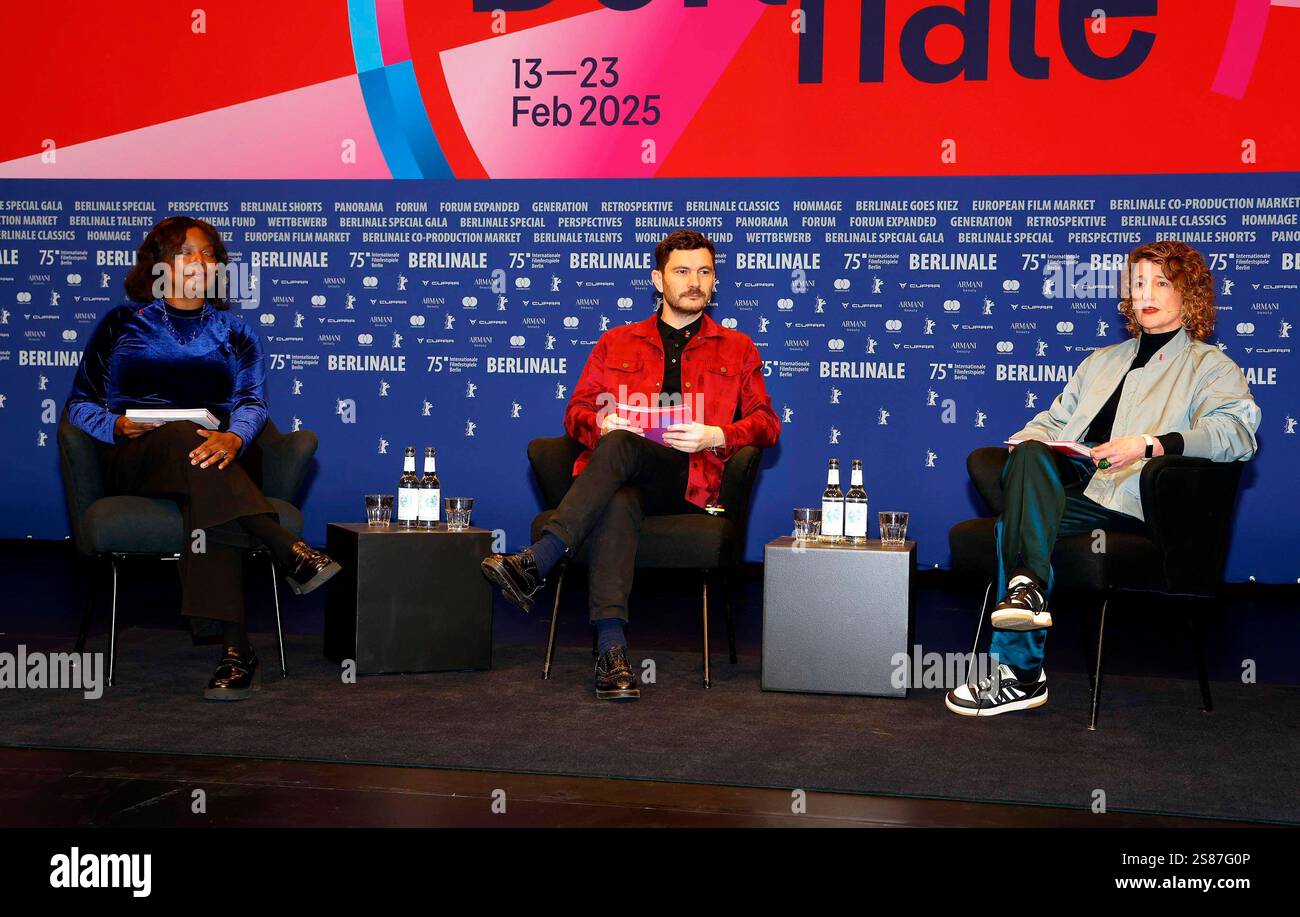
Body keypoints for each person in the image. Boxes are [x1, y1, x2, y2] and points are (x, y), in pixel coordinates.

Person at [945, 239, 1261, 716]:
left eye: (1160, 282)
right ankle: (1026, 593)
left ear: (1188, 294)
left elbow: (1236, 433)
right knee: (1030, 454)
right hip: (1071, 481)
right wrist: (1025, 441)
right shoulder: (1101, 361)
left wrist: (1151, 444)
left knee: (1021, 523)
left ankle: (1021, 672)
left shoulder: (1210, 367)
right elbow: (1054, 421)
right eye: (1137, 283)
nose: (1145, 293)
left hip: (1131, 493)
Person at [480, 230, 781, 701]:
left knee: (620, 449)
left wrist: (716, 435)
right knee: (618, 493)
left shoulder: (737, 348)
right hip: (622, 476)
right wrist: (605, 424)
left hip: (690, 479)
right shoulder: (617, 342)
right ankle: (613, 652)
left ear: (715, 281)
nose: (694, 282)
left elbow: (767, 424)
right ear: (658, 281)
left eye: (704, 272)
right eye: (682, 272)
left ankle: (538, 559)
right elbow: (576, 412)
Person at [65, 216, 342, 700]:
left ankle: (238, 654)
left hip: (219, 459)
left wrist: (235, 439)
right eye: (185, 252)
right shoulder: (120, 324)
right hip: (139, 459)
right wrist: (114, 425)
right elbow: (80, 403)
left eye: (207, 253)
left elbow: (253, 404)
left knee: (206, 480)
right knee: (181, 439)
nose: (198, 261)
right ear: (158, 264)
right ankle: (283, 545)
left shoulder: (237, 333)